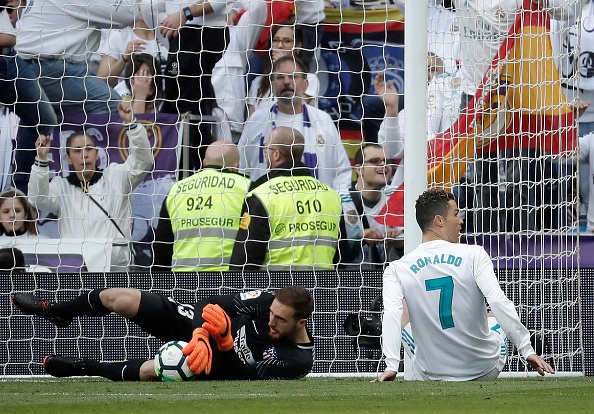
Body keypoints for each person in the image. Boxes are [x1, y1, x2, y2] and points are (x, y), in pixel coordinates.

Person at [378, 189, 555, 381]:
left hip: (432, 373)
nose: (460, 220)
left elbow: (392, 314)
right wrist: (526, 350)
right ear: (439, 221)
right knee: (495, 315)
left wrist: (392, 364)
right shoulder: (474, 254)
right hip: (484, 369)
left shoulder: (397, 268)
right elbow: (497, 300)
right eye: (455, 214)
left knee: (404, 312)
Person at [11, 285, 315, 381]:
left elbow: (240, 377)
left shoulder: (298, 362)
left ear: (301, 323)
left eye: (280, 321)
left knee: (154, 369)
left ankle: (81, 367)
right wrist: (200, 333)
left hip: (220, 363)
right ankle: (57, 312)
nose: (271, 321)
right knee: (118, 297)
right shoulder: (269, 302)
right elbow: (208, 301)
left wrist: (223, 342)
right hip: (204, 333)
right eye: (271, 314)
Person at [27, 100, 153, 271]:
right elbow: (37, 200)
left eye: (89, 149)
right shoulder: (61, 186)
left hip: (114, 270)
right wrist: (41, 160)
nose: (84, 155)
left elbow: (143, 161)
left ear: (97, 154)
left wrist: (131, 124)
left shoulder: (116, 177)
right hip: (76, 270)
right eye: (77, 151)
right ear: (68, 158)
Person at [230, 127, 344, 271]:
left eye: (266, 151)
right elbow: (342, 255)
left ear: (276, 154)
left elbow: (245, 259)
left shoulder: (261, 194)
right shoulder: (331, 196)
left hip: (277, 288)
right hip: (322, 287)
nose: (265, 156)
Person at [238, 55, 352, 194]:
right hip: (266, 209)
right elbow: (241, 169)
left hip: (316, 210)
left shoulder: (323, 121)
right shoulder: (256, 121)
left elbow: (342, 173)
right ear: (272, 85)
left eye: (293, 76)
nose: (287, 82)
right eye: (280, 77)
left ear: (305, 85)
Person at [15, 0, 138, 114]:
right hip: (48, 69)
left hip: (30, 68)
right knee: (117, 109)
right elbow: (129, 13)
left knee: (45, 124)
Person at [152, 140, 250, 272]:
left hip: (182, 282)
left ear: (204, 162)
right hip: (228, 281)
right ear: (235, 166)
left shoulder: (176, 190)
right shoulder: (247, 187)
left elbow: (162, 248)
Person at [1, 0, 57, 194]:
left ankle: (19, 189)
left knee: (45, 119)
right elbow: (8, 37)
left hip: (11, 59)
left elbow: (10, 38)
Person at [342, 144, 402, 269]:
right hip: (350, 283)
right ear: (359, 169)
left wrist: (399, 243)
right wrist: (358, 238)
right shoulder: (341, 201)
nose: (383, 165)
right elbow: (334, 253)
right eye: (375, 161)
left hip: (390, 280)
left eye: (387, 161)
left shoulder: (399, 196)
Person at [246, 21, 320, 118]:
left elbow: (292, 110)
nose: (280, 45)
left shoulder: (309, 80)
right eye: (276, 40)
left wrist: (282, 65)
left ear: (297, 47)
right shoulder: (258, 82)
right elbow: (250, 122)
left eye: (287, 41)